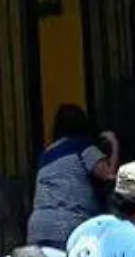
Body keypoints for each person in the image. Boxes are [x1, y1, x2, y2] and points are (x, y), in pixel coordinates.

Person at [27, 105, 119, 248]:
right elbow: (108, 176)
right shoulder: (83, 148)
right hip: (69, 226)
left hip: (38, 228)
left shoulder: (46, 154)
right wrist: (113, 145)